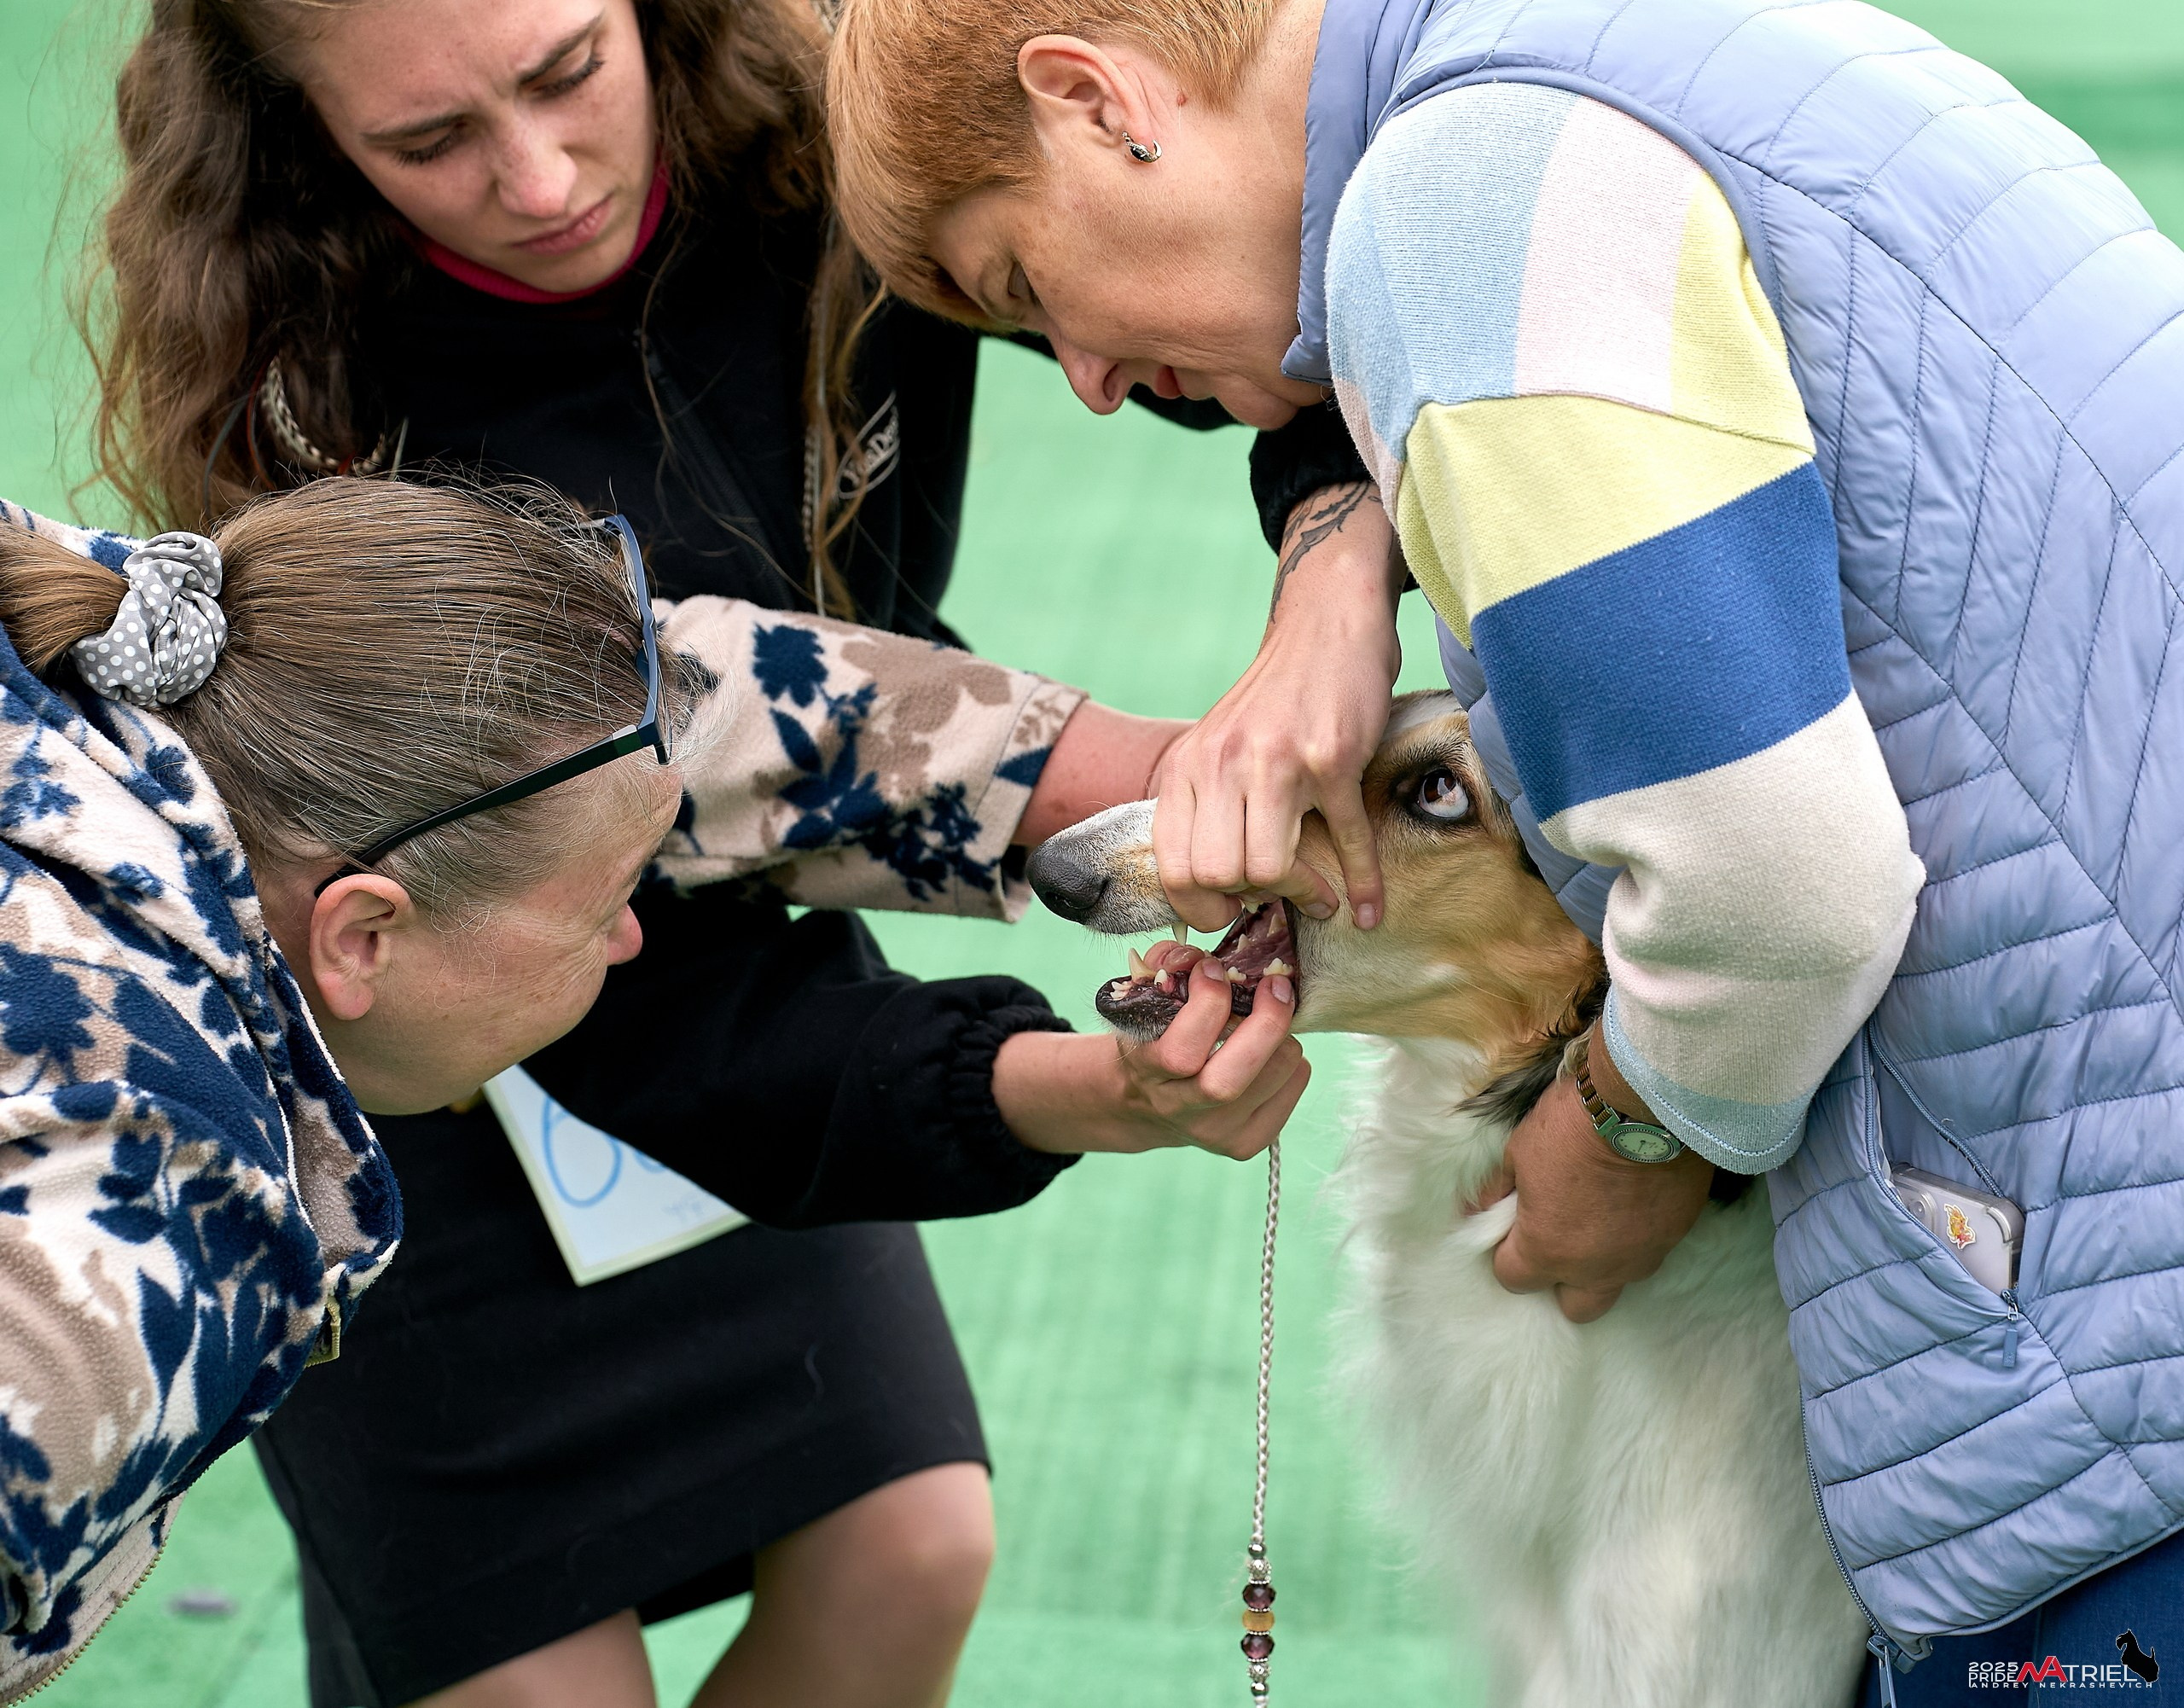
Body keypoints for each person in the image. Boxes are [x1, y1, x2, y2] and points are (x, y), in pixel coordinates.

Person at [822, 0, 2184, 1700]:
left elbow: (1766, 886)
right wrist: (1336, 553)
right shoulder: (1574, 65)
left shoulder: (1467, 209)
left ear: (1093, 101)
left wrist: (1618, 1126)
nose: (1085, 383)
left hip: (2114, 1338)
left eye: (1026, 286)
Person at [84, 2, 1368, 1704]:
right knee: (542, 1688)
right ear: (302, 135)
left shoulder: (837, 127)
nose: (538, 180)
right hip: (431, 1042)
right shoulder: (302, 389)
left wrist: (1331, 573)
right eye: (428, 142)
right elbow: (628, 1003)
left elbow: (1276, 281)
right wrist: (1085, 1075)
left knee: (912, 1546)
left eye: (566, 74)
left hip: (704, 930)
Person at [0, 479, 1310, 1703]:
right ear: (360, 939)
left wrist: (1165, 775)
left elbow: (692, 695)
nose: (637, 940)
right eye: (611, 902)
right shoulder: (140, 1229)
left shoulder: (146, 634)